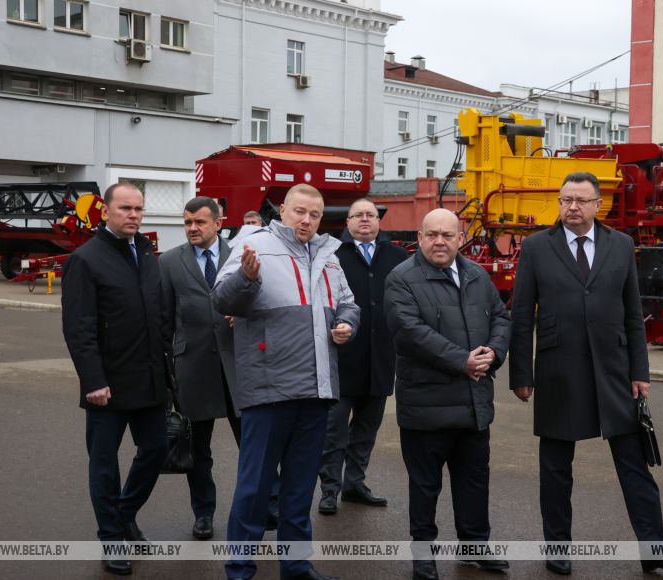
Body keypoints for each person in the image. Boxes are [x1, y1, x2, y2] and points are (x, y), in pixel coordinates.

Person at [508, 172, 663, 575]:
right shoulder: (537, 247)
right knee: (556, 470)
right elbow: (521, 315)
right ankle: (557, 548)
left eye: (580, 200)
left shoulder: (620, 245)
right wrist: (521, 374)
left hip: (614, 372)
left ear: (597, 205)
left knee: (634, 465)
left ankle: (654, 548)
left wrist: (640, 370)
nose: (572, 207)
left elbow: (632, 313)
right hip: (558, 371)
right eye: (565, 200)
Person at [213, 183, 359, 580]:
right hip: (269, 389)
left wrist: (348, 322)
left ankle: (296, 566)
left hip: (316, 390)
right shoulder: (254, 245)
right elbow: (222, 300)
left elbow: (348, 302)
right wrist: (246, 279)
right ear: (282, 210)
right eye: (299, 211)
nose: (306, 220)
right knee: (255, 489)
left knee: (299, 490)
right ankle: (239, 568)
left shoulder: (328, 255)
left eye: (314, 214)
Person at [384, 208, 512, 580]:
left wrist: (494, 352)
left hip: (473, 404)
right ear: (420, 238)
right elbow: (409, 332)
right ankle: (423, 555)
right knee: (425, 486)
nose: (439, 241)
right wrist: (462, 361)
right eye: (432, 234)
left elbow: (501, 317)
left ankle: (475, 547)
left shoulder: (476, 274)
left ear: (460, 238)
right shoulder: (401, 278)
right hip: (426, 405)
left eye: (447, 235)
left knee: (474, 482)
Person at [61, 182, 169, 576]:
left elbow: (158, 315)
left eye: (138, 209)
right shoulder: (86, 259)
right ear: (105, 211)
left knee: (156, 450)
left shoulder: (146, 253)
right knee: (104, 464)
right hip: (106, 384)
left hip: (150, 379)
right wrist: (93, 380)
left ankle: (124, 514)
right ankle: (111, 537)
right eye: (125, 208)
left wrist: (168, 372)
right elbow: (79, 328)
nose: (133, 215)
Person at [317, 199, 407, 515]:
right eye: (358, 215)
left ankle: (355, 484)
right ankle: (329, 489)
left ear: (379, 221)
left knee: (367, 429)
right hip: (342, 357)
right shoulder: (331, 255)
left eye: (371, 215)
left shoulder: (397, 256)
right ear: (348, 221)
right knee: (334, 431)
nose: (365, 219)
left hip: (381, 357)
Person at [159, 196, 240, 541]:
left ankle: (266, 505)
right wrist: (167, 372)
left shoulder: (240, 255)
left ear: (218, 224)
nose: (192, 228)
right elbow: (164, 320)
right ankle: (203, 513)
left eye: (200, 222)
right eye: (187, 222)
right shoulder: (169, 261)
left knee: (253, 443)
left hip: (238, 366)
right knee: (198, 449)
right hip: (192, 366)